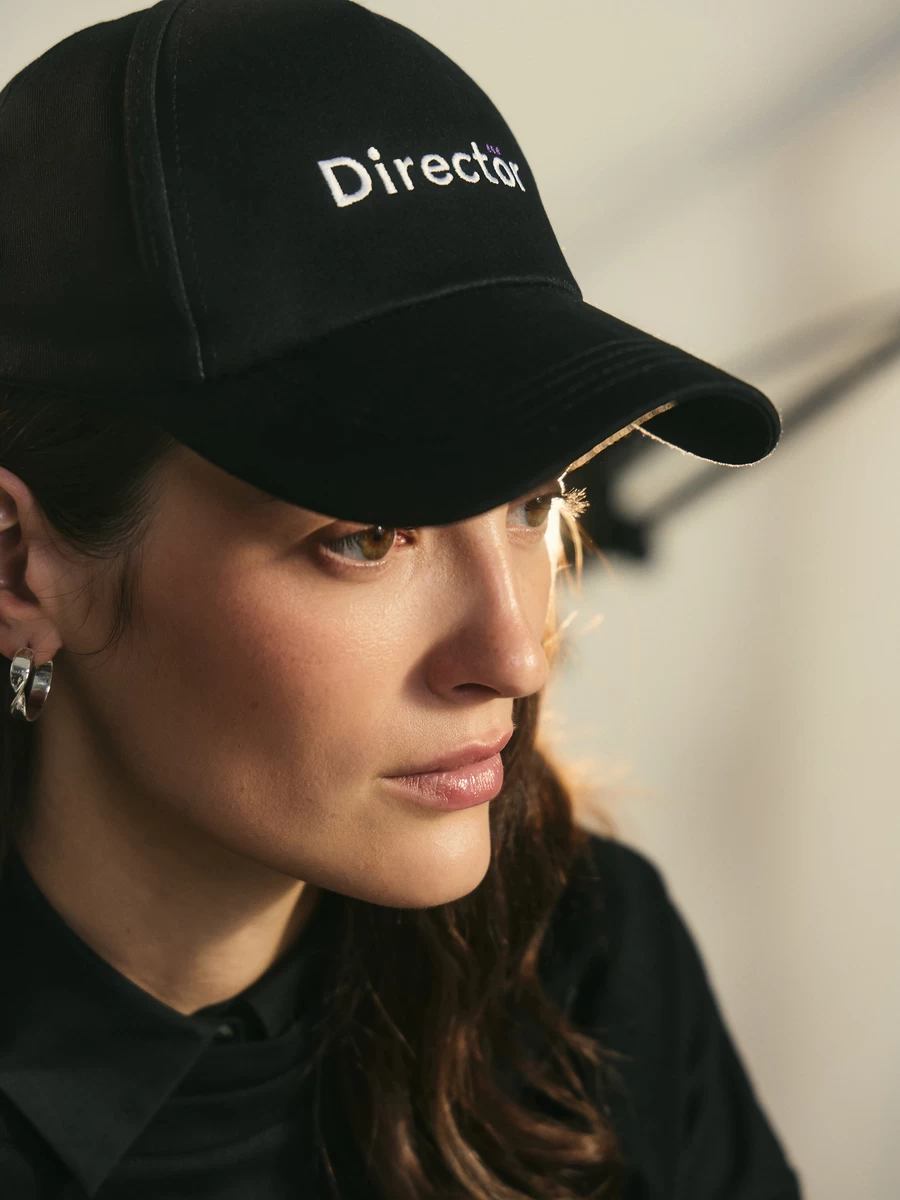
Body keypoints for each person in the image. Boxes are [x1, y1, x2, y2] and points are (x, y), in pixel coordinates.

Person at [0, 1, 802, 1198]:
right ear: (20, 567)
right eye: (366, 536)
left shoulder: (584, 965)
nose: (517, 657)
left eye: (534, 501)